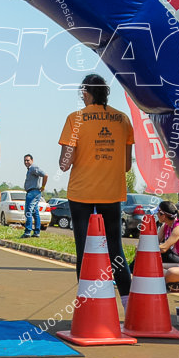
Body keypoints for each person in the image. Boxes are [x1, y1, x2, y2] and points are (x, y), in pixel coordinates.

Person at [57, 73, 133, 309]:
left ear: (86, 93)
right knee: (115, 250)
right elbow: (127, 165)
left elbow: (64, 163)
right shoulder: (122, 120)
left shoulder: (75, 119)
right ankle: (128, 304)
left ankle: (88, 307)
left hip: (81, 193)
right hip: (111, 193)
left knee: (85, 249)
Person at [20, 154, 48, 238]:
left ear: (32, 160)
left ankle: (28, 231)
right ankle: (36, 232)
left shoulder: (33, 167)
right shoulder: (30, 169)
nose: (26, 162)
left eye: (28, 160)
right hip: (33, 192)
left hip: (33, 192)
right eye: (25, 160)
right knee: (35, 213)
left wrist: (43, 186)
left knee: (28, 211)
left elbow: (45, 175)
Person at [157, 200, 179, 265]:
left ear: (163, 216)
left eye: (158, 212)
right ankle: (132, 271)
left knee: (164, 253)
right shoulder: (165, 226)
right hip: (171, 258)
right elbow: (156, 241)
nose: (157, 215)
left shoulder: (178, 228)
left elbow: (164, 248)